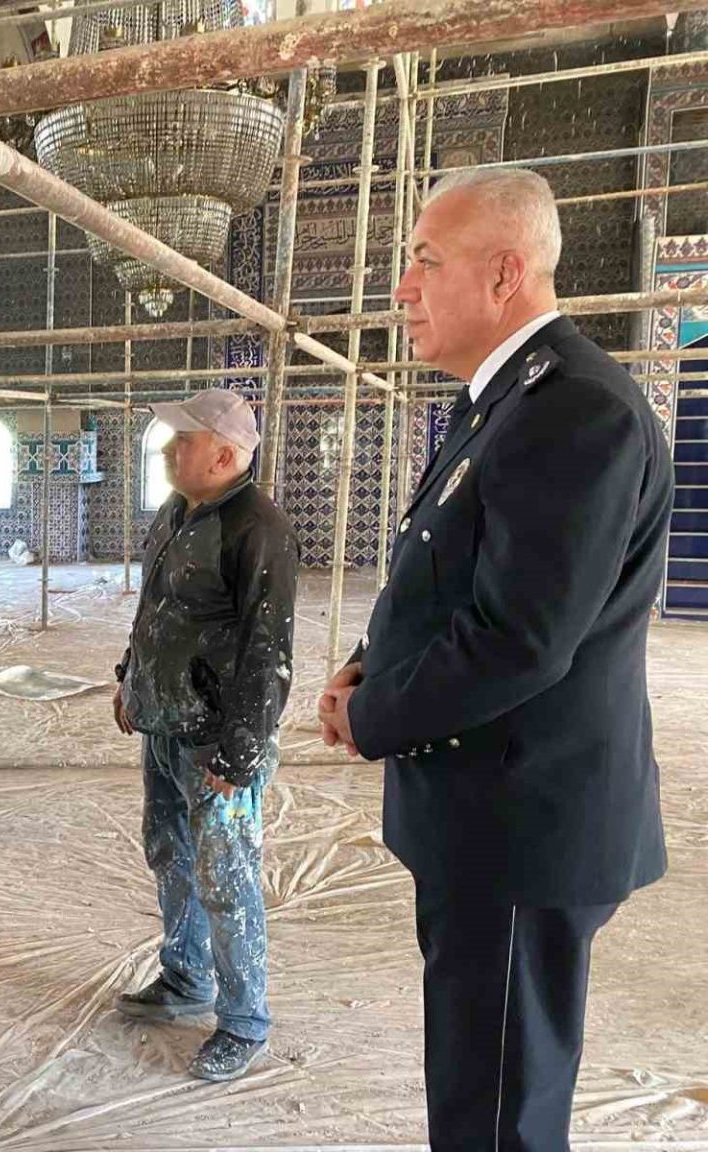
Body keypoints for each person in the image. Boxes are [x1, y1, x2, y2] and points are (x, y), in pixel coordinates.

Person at [317, 169, 672, 1151]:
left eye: (426, 261)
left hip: (523, 821)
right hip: (491, 813)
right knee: (479, 1082)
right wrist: (366, 666)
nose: (403, 287)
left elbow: (520, 637)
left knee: (500, 1109)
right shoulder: (507, 400)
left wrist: (375, 716)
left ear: (505, 274)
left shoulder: (574, 411)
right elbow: (446, 570)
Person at [111, 390, 298, 1083]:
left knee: (226, 875)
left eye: (182, 440)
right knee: (169, 852)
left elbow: (268, 649)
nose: (168, 450)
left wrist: (241, 750)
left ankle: (245, 1020)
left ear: (223, 456)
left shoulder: (258, 528)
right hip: (164, 724)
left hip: (217, 741)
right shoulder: (176, 512)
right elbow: (154, 609)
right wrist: (130, 678)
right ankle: (187, 977)